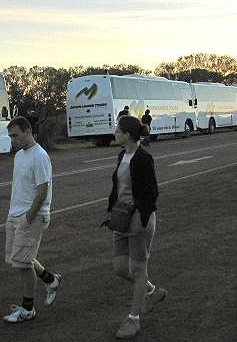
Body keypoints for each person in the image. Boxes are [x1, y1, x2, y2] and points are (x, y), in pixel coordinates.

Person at [107, 115, 167, 339]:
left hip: (139, 220)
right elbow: (118, 187)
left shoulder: (143, 158)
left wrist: (140, 216)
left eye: (118, 130)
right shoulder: (122, 155)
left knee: (139, 270)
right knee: (120, 268)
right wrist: (112, 209)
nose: (115, 133)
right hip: (122, 216)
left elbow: (152, 192)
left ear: (128, 135)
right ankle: (152, 291)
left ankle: (134, 319)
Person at [3, 116, 62, 323]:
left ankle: (28, 309)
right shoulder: (19, 156)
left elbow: (42, 191)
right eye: (10, 136)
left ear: (28, 131)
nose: (13, 140)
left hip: (32, 216)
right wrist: (13, 214)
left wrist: (29, 217)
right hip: (15, 215)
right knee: (18, 257)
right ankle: (50, 279)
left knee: (22, 263)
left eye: (15, 135)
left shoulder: (39, 156)